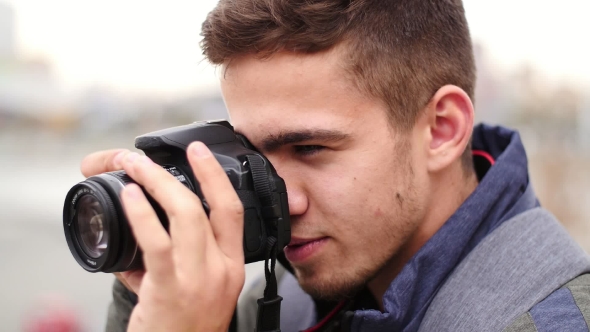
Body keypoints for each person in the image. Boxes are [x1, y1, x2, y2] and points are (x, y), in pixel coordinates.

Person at [80, 1, 590, 331]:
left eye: (309, 149)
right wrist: (146, 296)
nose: (283, 200)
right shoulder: (279, 295)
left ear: (441, 129)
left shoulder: (552, 320)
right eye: (252, 157)